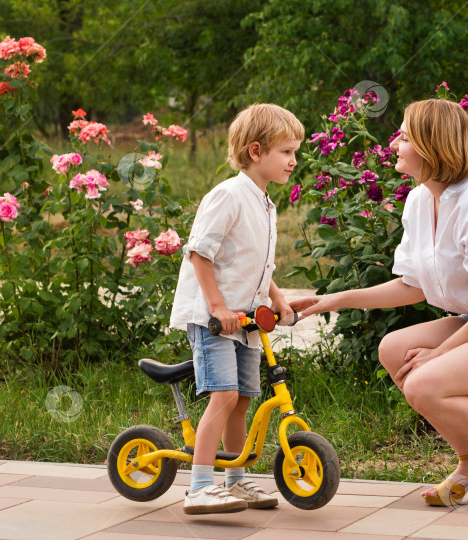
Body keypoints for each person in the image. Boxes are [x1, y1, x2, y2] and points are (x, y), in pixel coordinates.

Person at [290, 99, 468, 511]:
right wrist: (332, 299)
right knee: (393, 349)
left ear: (431, 146)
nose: (394, 144)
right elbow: (413, 286)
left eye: (404, 136)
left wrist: (439, 354)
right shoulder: (421, 200)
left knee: (424, 381)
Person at [170, 103, 303, 514]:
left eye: (296, 152)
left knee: (243, 398)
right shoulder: (229, 195)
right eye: (286, 152)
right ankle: (199, 486)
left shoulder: (265, 203)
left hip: (244, 321)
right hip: (214, 320)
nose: (294, 161)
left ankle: (235, 480)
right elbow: (200, 253)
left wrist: (277, 298)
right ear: (256, 151)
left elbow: (255, 263)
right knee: (224, 395)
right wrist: (217, 306)